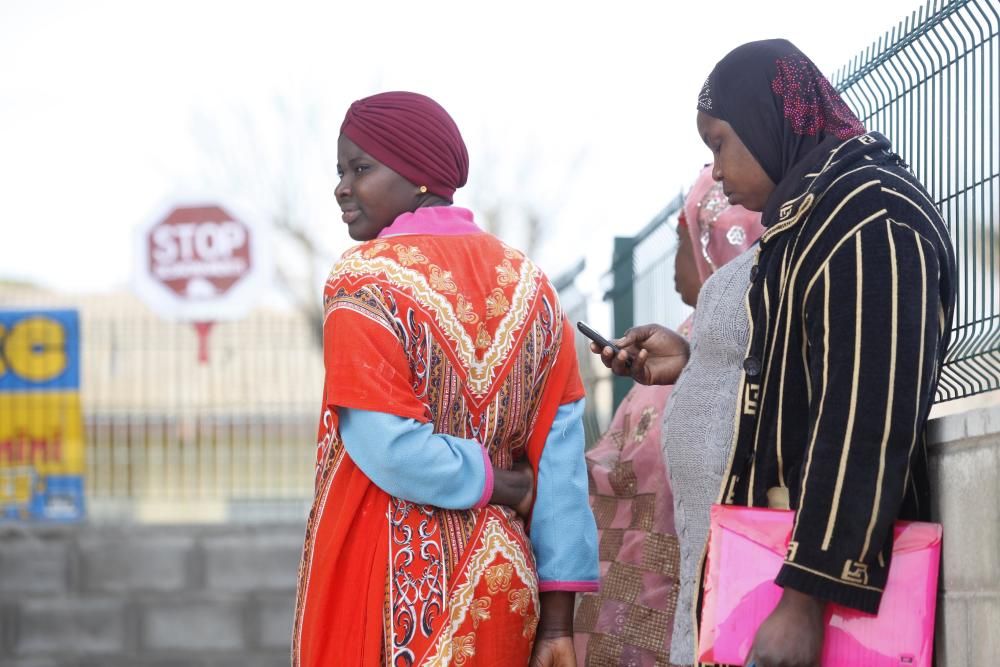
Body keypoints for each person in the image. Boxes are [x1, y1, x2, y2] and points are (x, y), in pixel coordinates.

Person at [596, 39, 955, 667]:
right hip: (759, 569)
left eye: (719, 144)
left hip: (811, 595)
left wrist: (805, 599)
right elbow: (800, 359)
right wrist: (697, 361)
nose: (715, 173)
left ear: (769, 121)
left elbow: (866, 416)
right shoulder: (811, 215)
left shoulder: (871, 219)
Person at [293, 91, 598, 667]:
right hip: (506, 582)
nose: (341, 187)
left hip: (396, 587)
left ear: (419, 176)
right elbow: (560, 462)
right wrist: (558, 622)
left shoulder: (363, 284)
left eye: (361, 168)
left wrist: (496, 482)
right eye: (340, 170)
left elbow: (388, 447)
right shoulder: (533, 286)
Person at [574, 166, 762, 666]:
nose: (679, 263)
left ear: (712, 243)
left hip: (691, 604)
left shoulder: (718, 340)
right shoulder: (705, 340)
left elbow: (632, 479)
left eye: (682, 239)